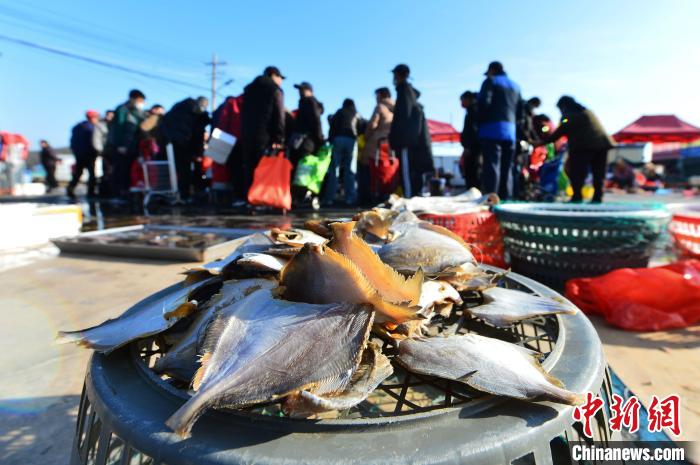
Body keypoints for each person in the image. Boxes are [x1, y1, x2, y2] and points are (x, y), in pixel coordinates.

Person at [538, 96, 614, 203]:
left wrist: (541, 142)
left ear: (563, 106)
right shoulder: (586, 111)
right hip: (602, 144)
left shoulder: (569, 115)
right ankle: (597, 197)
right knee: (598, 174)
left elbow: (559, 132)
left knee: (577, 172)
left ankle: (577, 197)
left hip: (584, 146)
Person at [236, 66, 286, 204]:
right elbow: (279, 115)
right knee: (263, 170)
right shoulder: (275, 90)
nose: (281, 81)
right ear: (273, 75)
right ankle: (261, 200)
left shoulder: (248, 90)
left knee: (249, 168)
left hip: (247, 134)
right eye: (280, 78)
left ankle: (249, 199)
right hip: (265, 136)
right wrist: (279, 136)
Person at [477, 61, 522, 199]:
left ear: (492, 70)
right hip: (510, 132)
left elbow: (484, 103)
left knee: (491, 165)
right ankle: (506, 200)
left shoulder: (490, 81)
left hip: (491, 130)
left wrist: (478, 123)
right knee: (507, 168)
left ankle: (491, 200)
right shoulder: (516, 86)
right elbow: (520, 112)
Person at [388, 64, 434, 197]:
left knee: (407, 176)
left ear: (398, 75)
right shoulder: (409, 93)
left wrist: (400, 141)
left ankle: (409, 204)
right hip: (412, 143)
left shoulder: (404, 92)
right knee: (412, 176)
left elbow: (406, 119)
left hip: (407, 143)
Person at [162, 97, 210, 201]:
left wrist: (198, 152)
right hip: (179, 145)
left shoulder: (201, 117)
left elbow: (199, 135)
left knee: (198, 169)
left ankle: (198, 193)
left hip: (193, 146)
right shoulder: (180, 111)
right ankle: (184, 194)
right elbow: (168, 127)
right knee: (184, 171)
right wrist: (177, 139)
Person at [322, 98, 362, 206]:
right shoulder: (356, 113)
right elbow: (362, 126)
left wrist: (331, 139)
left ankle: (329, 198)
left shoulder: (339, 112)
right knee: (350, 170)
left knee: (334, 169)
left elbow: (332, 126)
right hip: (351, 140)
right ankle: (350, 198)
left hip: (338, 139)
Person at [360, 87, 394, 205]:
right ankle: (385, 196)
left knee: (369, 169)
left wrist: (365, 137)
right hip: (389, 145)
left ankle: (368, 198)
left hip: (376, 143)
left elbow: (373, 124)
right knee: (386, 170)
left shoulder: (380, 107)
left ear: (380, 95)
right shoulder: (396, 108)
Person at [109, 89, 146, 197]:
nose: (141, 103)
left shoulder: (136, 111)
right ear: (132, 99)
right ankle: (119, 193)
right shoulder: (123, 109)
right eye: (140, 100)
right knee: (121, 170)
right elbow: (119, 128)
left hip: (133, 145)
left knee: (130, 170)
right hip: (122, 146)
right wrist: (121, 145)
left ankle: (128, 191)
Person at [289, 82, 324, 167]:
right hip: (302, 141)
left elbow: (316, 121)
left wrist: (319, 139)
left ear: (310, 91)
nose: (300, 92)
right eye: (299, 90)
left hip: (306, 142)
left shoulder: (310, 101)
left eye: (302, 89)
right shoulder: (303, 103)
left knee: (301, 170)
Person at [67, 110, 100, 198]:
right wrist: (97, 151)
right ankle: (91, 192)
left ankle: (70, 188)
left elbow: (72, 142)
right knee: (92, 174)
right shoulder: (91, 128)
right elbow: (94, 142)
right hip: (89, 154)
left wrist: (75, 151)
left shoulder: (77, 127)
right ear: (92, 118)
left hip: (79, 154)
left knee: (78, 172)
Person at [459, 91, 481, 189]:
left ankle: (473, 192)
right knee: (471, 171)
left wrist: (468, 146)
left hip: (473, 148)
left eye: (462, 100)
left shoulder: (473, 111)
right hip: (472, 147)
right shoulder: (472, 111)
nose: (461, 103)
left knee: (472, 171)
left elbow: (471, 131)